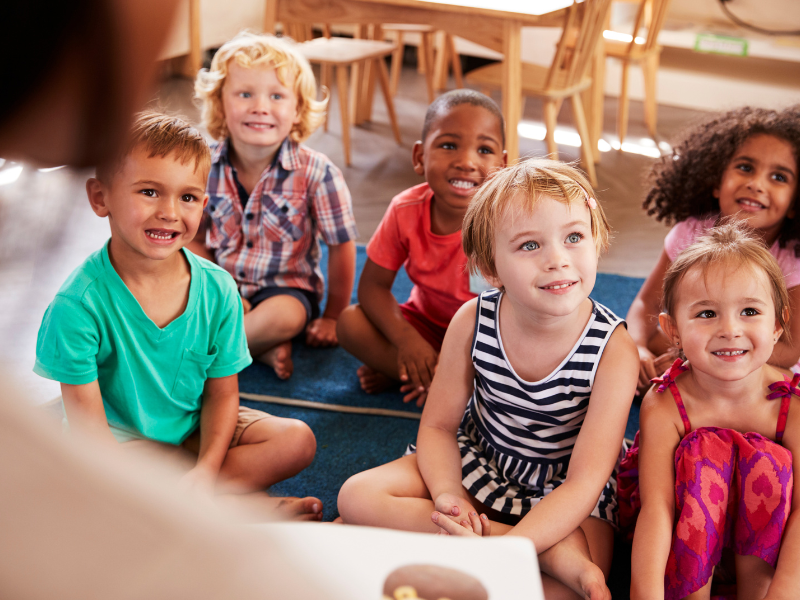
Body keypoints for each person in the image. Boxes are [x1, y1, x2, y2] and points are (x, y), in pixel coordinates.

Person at [338, 159, 639, 600]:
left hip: (564, 488)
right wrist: (448, 499)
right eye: (529, 245)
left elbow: (584, 482)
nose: (558, 259)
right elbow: (439, 427)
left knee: (573, 593)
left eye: (574, 237)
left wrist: (509, 547)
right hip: (481, 459)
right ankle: (538, 553)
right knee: (356, 496)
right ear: (490, 268)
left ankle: (492, 548)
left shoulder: (614, 351)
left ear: (597, 242)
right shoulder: (472, 319)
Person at [33, 111, 321, 518]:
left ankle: (194, 502)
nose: (170, 212)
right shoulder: (77, 306)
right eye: (149, 191)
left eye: (187, 197)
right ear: (101, 198)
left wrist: (205, 471)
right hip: (120, 445)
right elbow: (92, 443)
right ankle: (243, 510)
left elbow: (222, 395)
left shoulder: (218, 289)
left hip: (191, 428)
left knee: (297, 440)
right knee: (112, 483)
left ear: (203, 205)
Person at [628, 221, 800, 599]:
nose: (730, 330)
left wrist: (785, 591)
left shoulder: (792, 402)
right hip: (686, 544)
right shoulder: (665, 402)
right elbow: (657, 512)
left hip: (765, 556)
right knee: (703, 452)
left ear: (778, 324)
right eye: (707, 314)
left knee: (771, 461)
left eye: (750, 311)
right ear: (672, 330)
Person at [190, 31, 358, 380]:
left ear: (297, 110)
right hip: (222, 285)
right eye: (245, 94)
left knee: (286, 318)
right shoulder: (202, 165)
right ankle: (260, 348)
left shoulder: (318, 173)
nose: (260, 107)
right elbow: (193, 237)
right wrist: (220, 289)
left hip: (286, 289)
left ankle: (199, 363)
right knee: (162, 290)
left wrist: (332, 316)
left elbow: (341, 246)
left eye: (277, 96)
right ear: (220, 103)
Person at [336, 90, 507, 406]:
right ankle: (436, 380)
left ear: (503, 165)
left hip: (489, 338)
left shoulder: (508, 222)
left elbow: (523, 312)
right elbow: (373, 287)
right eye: (448, 145)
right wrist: (406, 342)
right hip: (424, 325)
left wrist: (465, 359)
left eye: (484, 150)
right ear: (419, 157)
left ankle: (429, 380)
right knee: (350, 324)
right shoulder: (405, 209)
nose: (467, 162)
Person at [627, 106, 800, 394]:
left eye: (779, 177)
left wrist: (698, 359)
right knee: (628, 352)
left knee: (777, 386)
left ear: (795, 203)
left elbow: (789, 349)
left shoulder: (792, 259)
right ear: (716, 182)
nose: (756, 184)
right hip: (693, 340)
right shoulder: (689, 233)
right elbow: (646, 304)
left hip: (756, 355)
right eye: (745, 168)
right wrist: (637, 347)